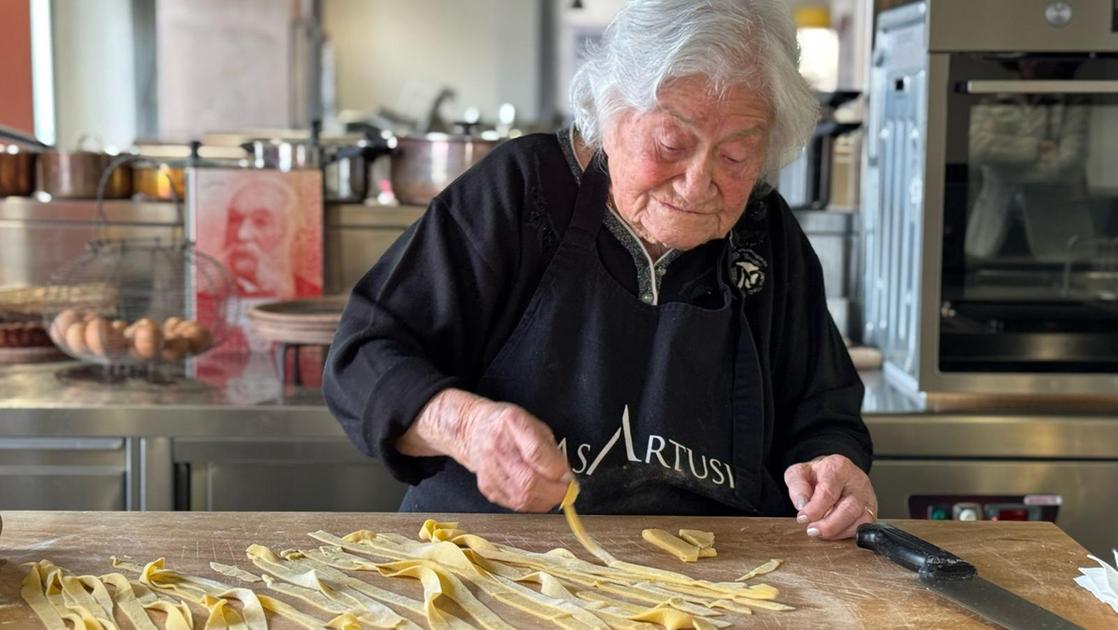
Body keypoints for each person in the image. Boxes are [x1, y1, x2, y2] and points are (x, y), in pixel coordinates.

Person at [325, 0, 875, 540]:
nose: (696, 182)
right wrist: (467, 427)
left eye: (735, 156)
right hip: (490, 563)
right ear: (609, 111)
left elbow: (822, 410)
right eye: (670, 143)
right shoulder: (518, 194)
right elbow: (364, 358)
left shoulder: (765, 233)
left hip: (709, 581)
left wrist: (832, 468)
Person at [965, 60, 1093, 262]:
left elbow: (1068, 162)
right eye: (1026, 58)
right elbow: (979, 149)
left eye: (1039, 57)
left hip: (1057, 236)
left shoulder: (1073, 99)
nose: (1033, 64)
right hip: (993, 234)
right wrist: (1036, 148)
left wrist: (1002, 166)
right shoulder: (994, 95)